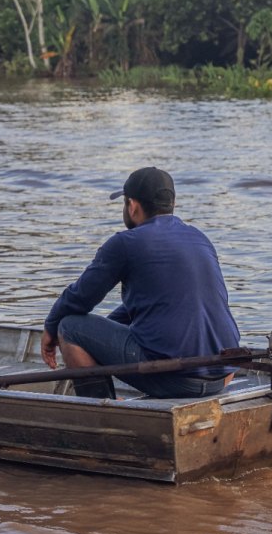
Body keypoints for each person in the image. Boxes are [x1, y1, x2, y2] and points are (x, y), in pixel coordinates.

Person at [40, 167, 240, 398]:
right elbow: (156, 303)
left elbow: (79, 298)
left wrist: (51, 326)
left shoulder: (125, 243)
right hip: (221, 375)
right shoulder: (199, 238)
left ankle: (102, 413)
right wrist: (101, 337)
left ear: (132, 206)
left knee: (70, 327)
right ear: (172, 204)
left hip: (176, 379)